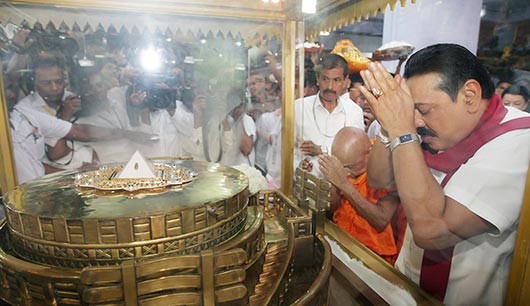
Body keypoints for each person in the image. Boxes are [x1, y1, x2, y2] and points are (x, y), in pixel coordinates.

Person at [360, 43, 530, 305]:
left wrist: (402, 132)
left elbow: (433, 229)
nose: (416, 121)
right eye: (411, 110)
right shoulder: (439, 131)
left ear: (470, 95)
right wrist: (388, 125)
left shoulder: (518, 141)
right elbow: (379, 179)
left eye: (424, 110)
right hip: (406, 291)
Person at [317, 127, 399, 263]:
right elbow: (332, 209)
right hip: (342, 240)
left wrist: (343, 184)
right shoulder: (348, 162)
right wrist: (332, 180)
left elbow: (381, 221)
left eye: (349, 167)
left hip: (372, 254)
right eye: (341, 166)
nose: (346, 172)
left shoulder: (386, 166)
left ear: (369, 155)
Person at [294, 53, 364, 175]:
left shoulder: (354, 112)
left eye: (336, 80)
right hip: (305, 187)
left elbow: (356, 156)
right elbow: (285, 151)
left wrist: (321, 150)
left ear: (346, 82)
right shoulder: (299, 107)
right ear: (317, 79)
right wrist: (299, 165)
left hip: (341, 189)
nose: (330, 86)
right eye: (325, 79)